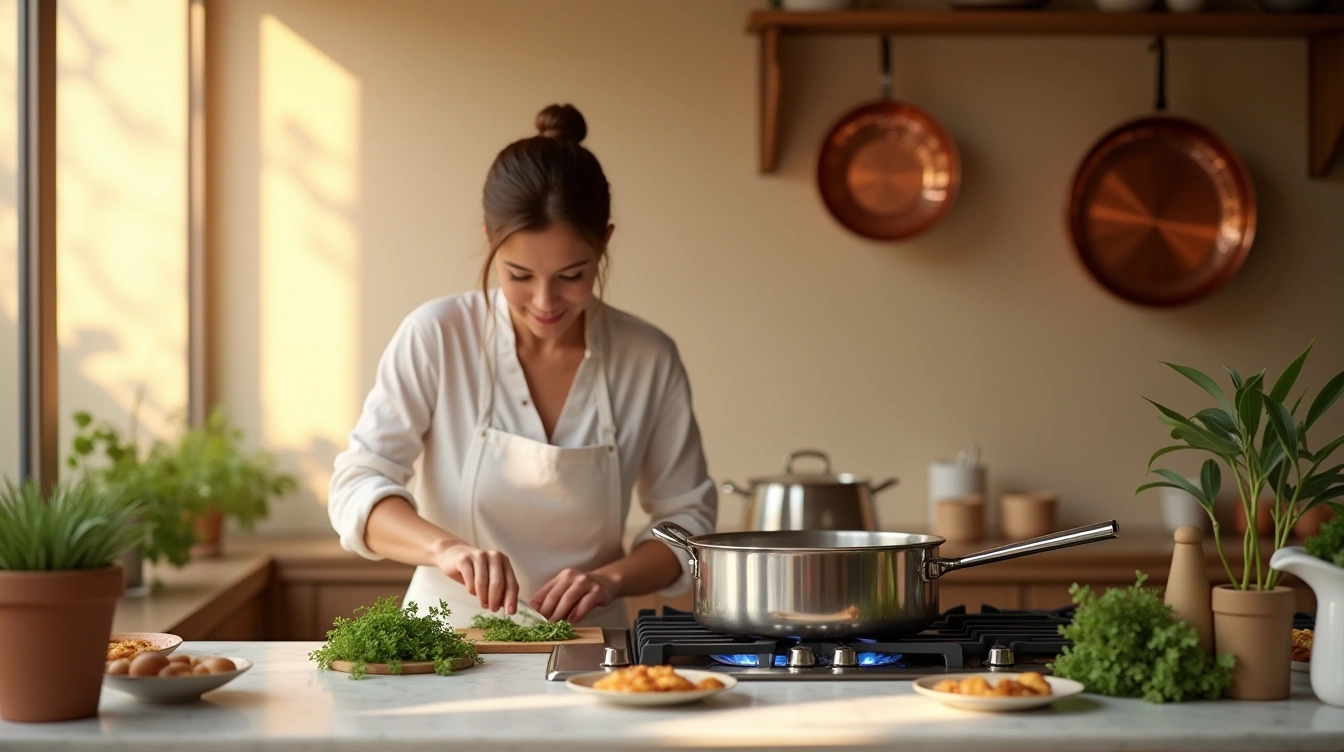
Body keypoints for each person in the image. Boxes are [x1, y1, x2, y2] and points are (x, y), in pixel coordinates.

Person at [327, 104, 718, 629]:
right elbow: (358, 484)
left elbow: (687, 525)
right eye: (518, 275)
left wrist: (612, 578)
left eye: (572, 275)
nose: (544, 302)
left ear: (604, 242)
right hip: (446, 638)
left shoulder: (647, 357)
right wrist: (444, 549)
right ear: (490, 238)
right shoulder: (437, 335)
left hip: (592, 642)